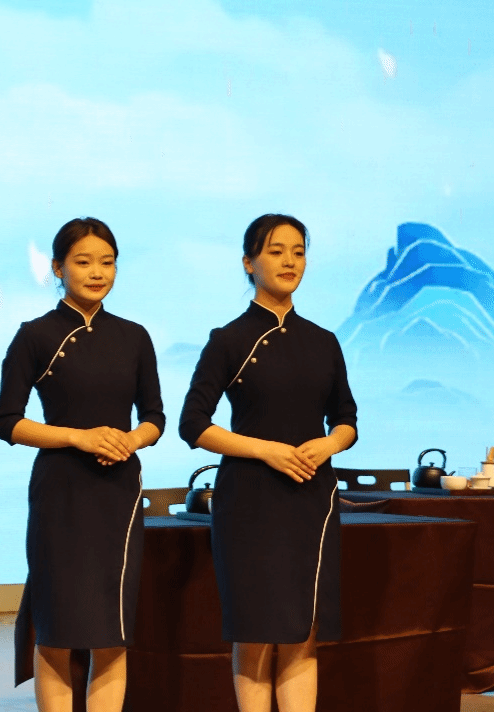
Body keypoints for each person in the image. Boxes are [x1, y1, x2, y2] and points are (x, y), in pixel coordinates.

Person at [178, 214, 358, 712]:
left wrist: (329, 445)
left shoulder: (324, 341)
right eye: (276, 251)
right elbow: (193, 424)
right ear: (248, 262)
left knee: (303, 630)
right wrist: (266, 449)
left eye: (298, 252)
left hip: (312, 500)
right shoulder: (229, 339)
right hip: (250, 503)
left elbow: (346, 419)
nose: (289, 261)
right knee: (255, 631)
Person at [0, 218, 164, 712]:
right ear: (57, 268)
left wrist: (130, 440)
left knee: (112, 630)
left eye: (107, 263)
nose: (96, 272)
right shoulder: (34, 335)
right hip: (61, 493)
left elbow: (154, 417)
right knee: (57, 628)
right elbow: (7, 421)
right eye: (83, 262)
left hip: (118, 492)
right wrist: (76, 437)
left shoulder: (134, 336)